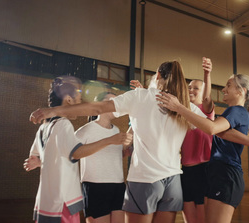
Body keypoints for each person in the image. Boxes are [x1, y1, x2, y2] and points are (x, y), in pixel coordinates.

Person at [29, 61, 208, 223]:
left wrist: (55, 110)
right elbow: (212, 128)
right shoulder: (185, 106)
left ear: (158, 75)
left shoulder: (140, 97)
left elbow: (97, 107)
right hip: (173, 181)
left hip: (146, 179)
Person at [156, 73, 249, 223]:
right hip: (218, 174)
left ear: (241, 91)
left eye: (228, 85)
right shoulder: (230, 114)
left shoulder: (236, 111)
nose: (224, 89)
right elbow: (223, 133)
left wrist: (179, 107)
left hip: (227, 176)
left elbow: (211, 128)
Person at [23, 77, 132, 223]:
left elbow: (49, 152)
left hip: (114, 186)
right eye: (78, 100)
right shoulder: (71, 127)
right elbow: (75, 152)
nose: (79, 106)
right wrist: (109, 141)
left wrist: (39, 161)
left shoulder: (44, 128)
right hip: (75, 193)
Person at [74, 92, 126, 223]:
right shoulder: (86, 130)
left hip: (118, 186)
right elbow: (74, 153)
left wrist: (126, 151)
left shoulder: (116, 130)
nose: (117, 105)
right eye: (112, 101)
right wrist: (109, 140)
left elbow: (111, 155)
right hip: (95, 187)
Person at [180, 57, 214, 223]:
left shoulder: (205, 111)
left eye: (196, 88)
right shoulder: (182, 112)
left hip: (203, 169)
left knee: (201, 216)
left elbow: (207, 99)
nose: (191, 90)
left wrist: (207, 74)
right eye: (189, 87)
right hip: (185, 170)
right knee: (188, 214)